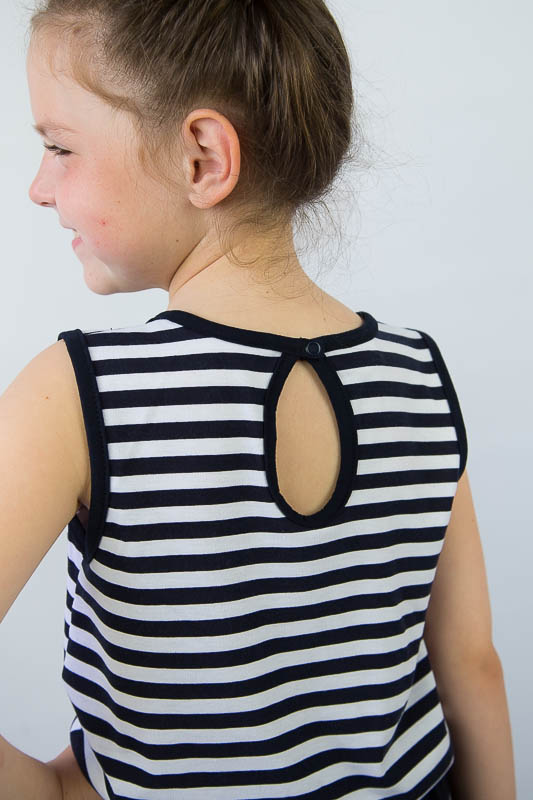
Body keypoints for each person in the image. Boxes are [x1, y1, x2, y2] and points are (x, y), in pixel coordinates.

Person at [0, 1, 515, 798]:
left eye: (60, 147)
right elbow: (470, 663)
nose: (39, 187)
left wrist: (48, 788)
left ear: (202, 157)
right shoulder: (416, 372)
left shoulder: (81, 393)